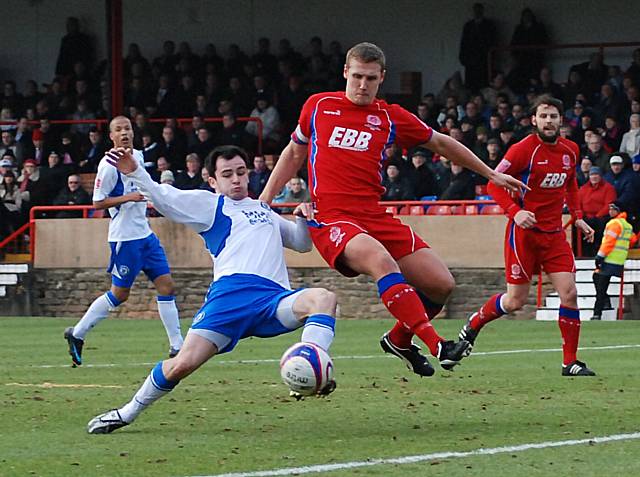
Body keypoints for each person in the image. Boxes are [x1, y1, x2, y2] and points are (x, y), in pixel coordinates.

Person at [260, 42, 525, 376]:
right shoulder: (319, 106)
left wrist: (491, 174)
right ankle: (438, 344)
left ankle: (399, 339)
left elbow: (442, 143)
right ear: (345, 72)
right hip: (331, 216)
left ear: (381, 77)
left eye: (370, 78)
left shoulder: (389, 117)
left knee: (440, 284)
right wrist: (265, 200)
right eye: (356, 76)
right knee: (380, 260)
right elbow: (294, 152)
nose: (362, 85)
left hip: (373, 215)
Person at [86, 145, 338, 434]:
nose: (236, 180)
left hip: (272, 299)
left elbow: (301, 244)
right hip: (229, 299)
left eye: (241, 173)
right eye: (227, 174)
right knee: (181, 364)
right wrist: (135, 171)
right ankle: (126, 412)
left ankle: (306, 367)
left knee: (324, 298)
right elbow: (162, 197)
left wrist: (303, 218)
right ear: (213, 181)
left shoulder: (263, 210)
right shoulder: (210, 206)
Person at [458, 95, 597, 377]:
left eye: (554, 116)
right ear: (534, 120)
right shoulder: (523, 150)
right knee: (515, 301)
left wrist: (578, 217)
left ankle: (570, 362)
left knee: (569, 293)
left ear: (561, 120)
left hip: (555, 234)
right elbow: (493, 183)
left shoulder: (570, 150)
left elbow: (570, 184)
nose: (549, 121)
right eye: (544, 116)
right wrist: (515, 212)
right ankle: (474, 323)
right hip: (524, 234)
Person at [63, 116, 184, 366]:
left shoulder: (137, 156)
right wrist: (128, 197)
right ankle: (77, 333)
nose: (124, 133)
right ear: (112, 136)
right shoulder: (108, 165)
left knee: (167, 286)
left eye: (127, 128)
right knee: (119, 294)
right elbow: (97, 202)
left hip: (146, 236)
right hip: (124, 239)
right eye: (118, 130)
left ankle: (177, 347)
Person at [591, 202, 638, 320]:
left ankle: (597, 313)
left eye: (612, 209)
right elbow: (633, 239)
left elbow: (609, 242)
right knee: (599, 281)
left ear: (618, 211)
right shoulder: (627, 226)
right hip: (619, 261)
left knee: (600, 285)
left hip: (609, 259)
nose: (610, 211)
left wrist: (599, 256)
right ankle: (604, 304)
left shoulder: (614, 224)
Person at [578, 166, 617, 256]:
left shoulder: (608, 188)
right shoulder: (583, 188)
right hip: (586, 218)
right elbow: (578, 203)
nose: (594, 177)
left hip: (601, 218)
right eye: (592, 174)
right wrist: (582, 216)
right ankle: (583, 254)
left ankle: (599, 253)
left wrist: (597, 216)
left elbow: (609, 204)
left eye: (596, 174)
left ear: (600, 176)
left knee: (599, 226)